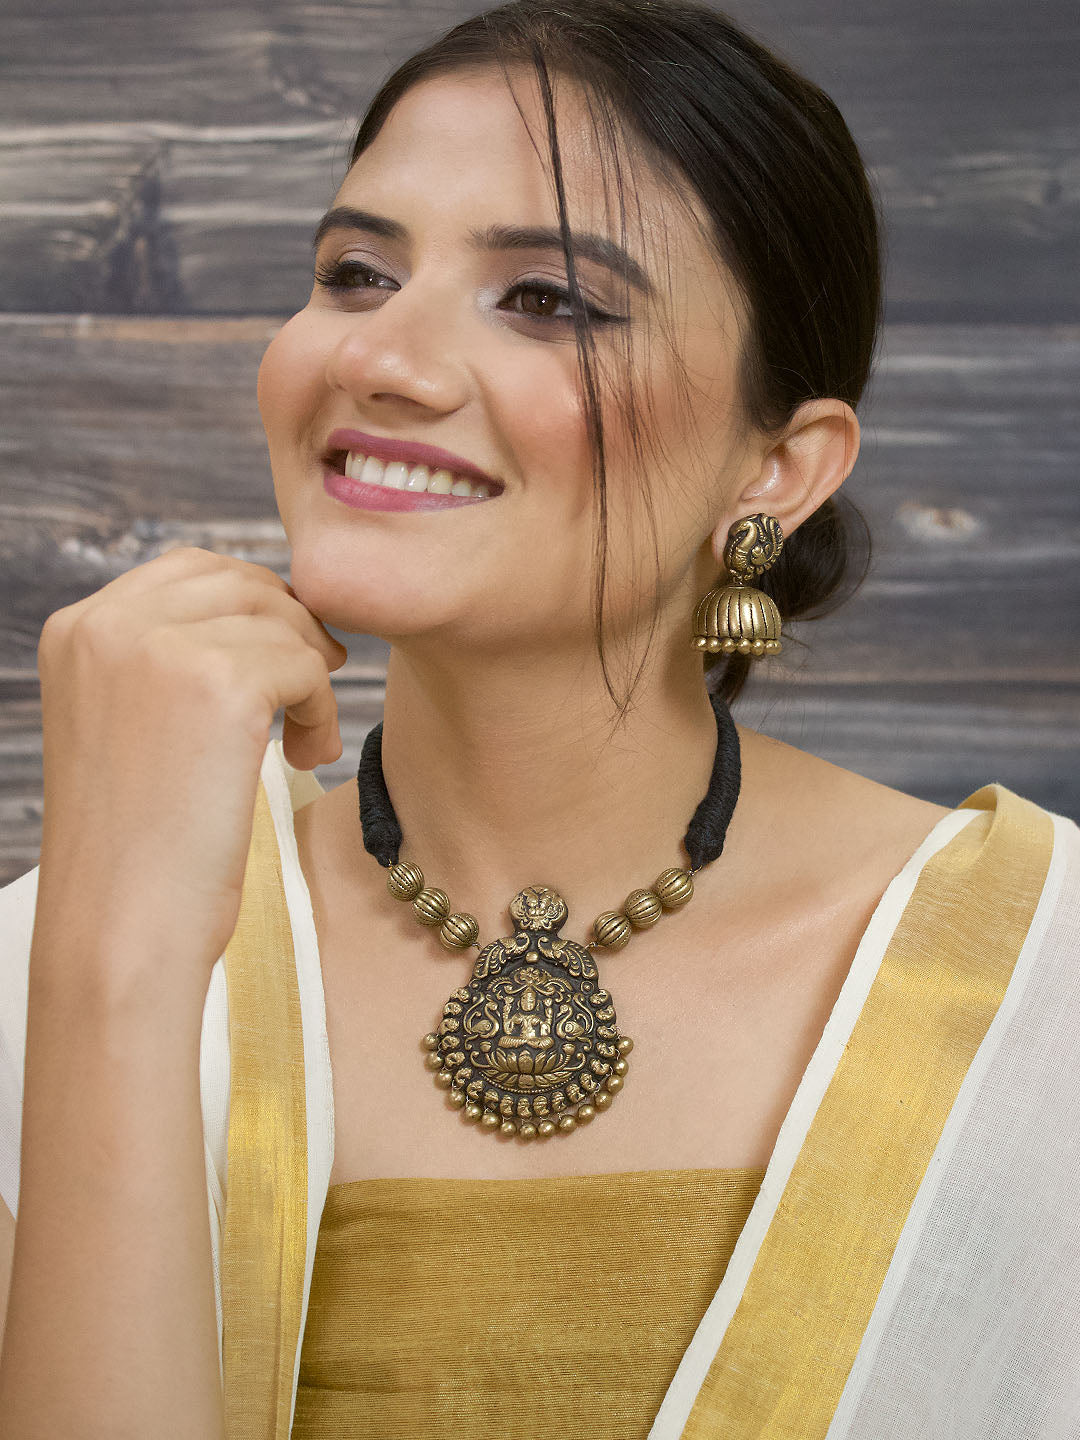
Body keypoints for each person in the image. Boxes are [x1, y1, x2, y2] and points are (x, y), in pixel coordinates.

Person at [0, 0, 1077, 1434]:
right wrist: (116, 969)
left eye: (548, 300)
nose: (381, 359)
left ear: (777, 469)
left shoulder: (1046, 986)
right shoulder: (61, 956)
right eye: (357, 273)